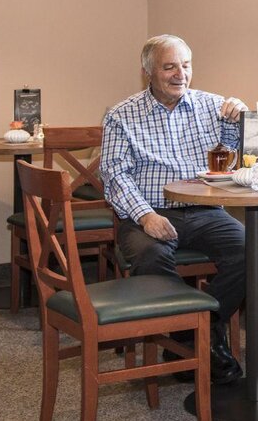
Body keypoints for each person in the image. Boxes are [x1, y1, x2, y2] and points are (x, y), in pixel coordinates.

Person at [101, 34, 247, 385]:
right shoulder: (121, 115)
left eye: (186, 65)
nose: (180, 74)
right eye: (169, 67)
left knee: (250, 250)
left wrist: (242, 120)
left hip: (204, 210)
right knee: (151, 256)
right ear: (148, 72)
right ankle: (194, 337)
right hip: (146, 213)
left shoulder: (213, 106)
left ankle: (198, 331)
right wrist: (145, 216)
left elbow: (236, 160)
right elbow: (114, 175)